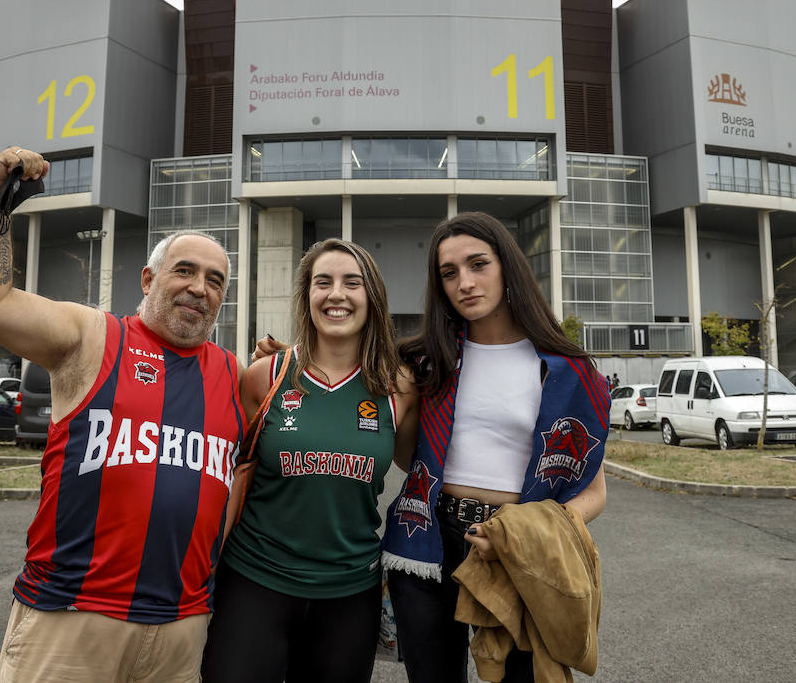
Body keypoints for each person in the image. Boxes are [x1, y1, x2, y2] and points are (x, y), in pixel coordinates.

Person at [0, 146, 244, 683]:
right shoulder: (93, 337)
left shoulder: (234, 374)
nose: (199, 288)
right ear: (148, 280)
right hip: (72, 617)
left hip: (182, 628)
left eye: (215, 280)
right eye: (184, 270)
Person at [381, 211, 610, 683]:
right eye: (449, 273)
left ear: (507, 266)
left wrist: (528, 530)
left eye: (478, 264)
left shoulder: (569, 371)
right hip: (428, 536)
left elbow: (594, 491)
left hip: (519, 547)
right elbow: (411, 460)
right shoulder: (425, 361)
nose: (464, 282)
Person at [202, 238, 418, 683]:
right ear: (307, 296)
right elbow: (221, 467)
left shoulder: (397, 386)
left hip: (349, 593)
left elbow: (423, 469)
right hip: (254, 580)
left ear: (371, 297)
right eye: (323, 282)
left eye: (351, 283)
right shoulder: (265, 375)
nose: (336, 294)